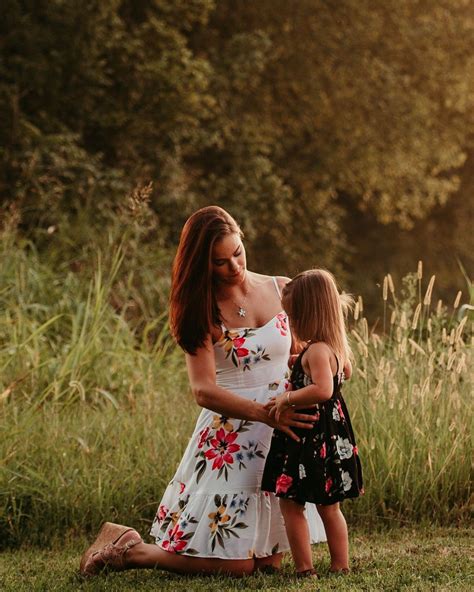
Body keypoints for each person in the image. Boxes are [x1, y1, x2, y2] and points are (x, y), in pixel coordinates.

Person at [80, 206, 326, 577]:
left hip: (280, 430)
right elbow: (203, 390)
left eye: (237, 253)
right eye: (220, 261)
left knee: (268, 562)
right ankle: (130, 550)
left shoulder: (282, 288)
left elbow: (301, 351)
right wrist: (265, 412)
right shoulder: (200, 309)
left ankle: (149, 549)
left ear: (243, 239)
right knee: (239, 566)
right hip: (230, 435)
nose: (234, 267)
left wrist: (323, 369)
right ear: (202, 262)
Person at [261, 269, 363, 578]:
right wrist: (300, 362)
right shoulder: (330, 347)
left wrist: (286, 400)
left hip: (309, 436)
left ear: (308, 315)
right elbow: (340, 373)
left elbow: (323, 390)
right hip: (328, 435)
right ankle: (339, 565)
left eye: (293, 318)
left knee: (292, 504)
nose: (290, 324)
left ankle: (305, 569)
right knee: (330, 507)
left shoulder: (317, 350)